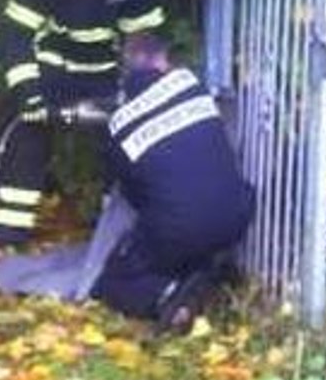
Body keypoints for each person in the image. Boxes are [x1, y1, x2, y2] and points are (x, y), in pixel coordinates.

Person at [0, 0, 167, 253]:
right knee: (25, 141)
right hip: (50, 77)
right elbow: (16, 37)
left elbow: (145, 43)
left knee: (126, 150)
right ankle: (7, 239)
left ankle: (119, 236)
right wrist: (29, 95)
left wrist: (141, 94)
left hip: (104, 79)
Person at [92, 34, 254, 334]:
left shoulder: (119, 125)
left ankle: (170, 300)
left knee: (112, 279)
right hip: (237, 213)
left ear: (125, 69)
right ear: (162, 61)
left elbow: (135, 195)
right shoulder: (191, 86)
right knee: (184, 236)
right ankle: (211, 273)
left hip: (179, 229)